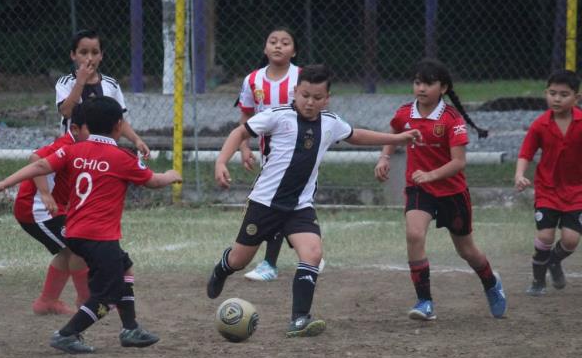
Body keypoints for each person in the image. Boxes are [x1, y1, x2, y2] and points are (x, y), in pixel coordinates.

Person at [207, 64, 421, 337]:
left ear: (327, 98)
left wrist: (397, 138)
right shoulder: (277, 116)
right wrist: (221, 161)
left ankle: (299, 319)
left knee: (312, 253)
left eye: (317, 98)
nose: (310, 102)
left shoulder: (330, 123)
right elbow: (240, 132)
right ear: (295, 92)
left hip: (300, 206)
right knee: (240, 260)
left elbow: (356, 135)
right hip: (264, 203)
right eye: (305, 95)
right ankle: (222, 269)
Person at [0, 97, 181, 354]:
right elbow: (153, 181)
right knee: (106, 295)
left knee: (125, 266)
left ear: (87, 124)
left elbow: (41, 164)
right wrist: (170, 176)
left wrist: (4, 182)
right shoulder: (123, 157)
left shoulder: (74, 150)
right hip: (100, 236)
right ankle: (67, 334)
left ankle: (130, 328)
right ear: (118, 125)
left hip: (75, 232)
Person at [374, 58, 507, 321]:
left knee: (467, 251)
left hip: (451, 192)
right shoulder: (405, 113)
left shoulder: (451, 119)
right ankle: (424, 301)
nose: (421, 88)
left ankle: (491, 282)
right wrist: (384, 157)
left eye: (428, 83)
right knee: (414, 234)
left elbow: (459, 162)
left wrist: (431, 175)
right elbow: (394, 131)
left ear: (443, 88)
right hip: (419, 188)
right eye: (417, 82)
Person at [235, 27, 326, 283]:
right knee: (276, 204)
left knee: (286, 203)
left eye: (285, 42)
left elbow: (317, 107)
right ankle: (299, 253)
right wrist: (243, 147)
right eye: (273, 41)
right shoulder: (253, 80)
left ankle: (271, 262)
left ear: (294, 50)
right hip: (269, 154)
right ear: (265, 48)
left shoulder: (301, 77)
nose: (278, 46)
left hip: (299, 152)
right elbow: (247, 115)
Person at [14, 104, 90, 315]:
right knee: (78, 247)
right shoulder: (67, 143)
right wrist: (45, 194)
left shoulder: (86, 144)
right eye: (92, 130)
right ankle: (86, 300)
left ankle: (47, 301)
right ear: (75, 129)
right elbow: (36, 158)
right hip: (35, 209)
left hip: (54, 208)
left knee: (69, 249)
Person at [515, 69, 582, 296]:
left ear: (576, 98)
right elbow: (525, 153)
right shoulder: (540, 125)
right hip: (547, 190)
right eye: (552, 93)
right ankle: (537, 281)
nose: (557, 98)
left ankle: (554, 262)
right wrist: (519, 174)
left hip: (577, 192)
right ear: (546, 94)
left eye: (564, 94)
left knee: (571, 240)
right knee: (545, 236)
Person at [55, 28, 150, 159]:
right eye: (83, 52)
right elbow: (66, 112)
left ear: (101, 55)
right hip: (72, 152)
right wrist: (80, 82)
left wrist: (137, 140)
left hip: (102, 154)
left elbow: (119, 119)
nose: (89, 58)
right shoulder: (65, 83)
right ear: (73, 55)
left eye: (95, 52)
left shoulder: (111, 85)